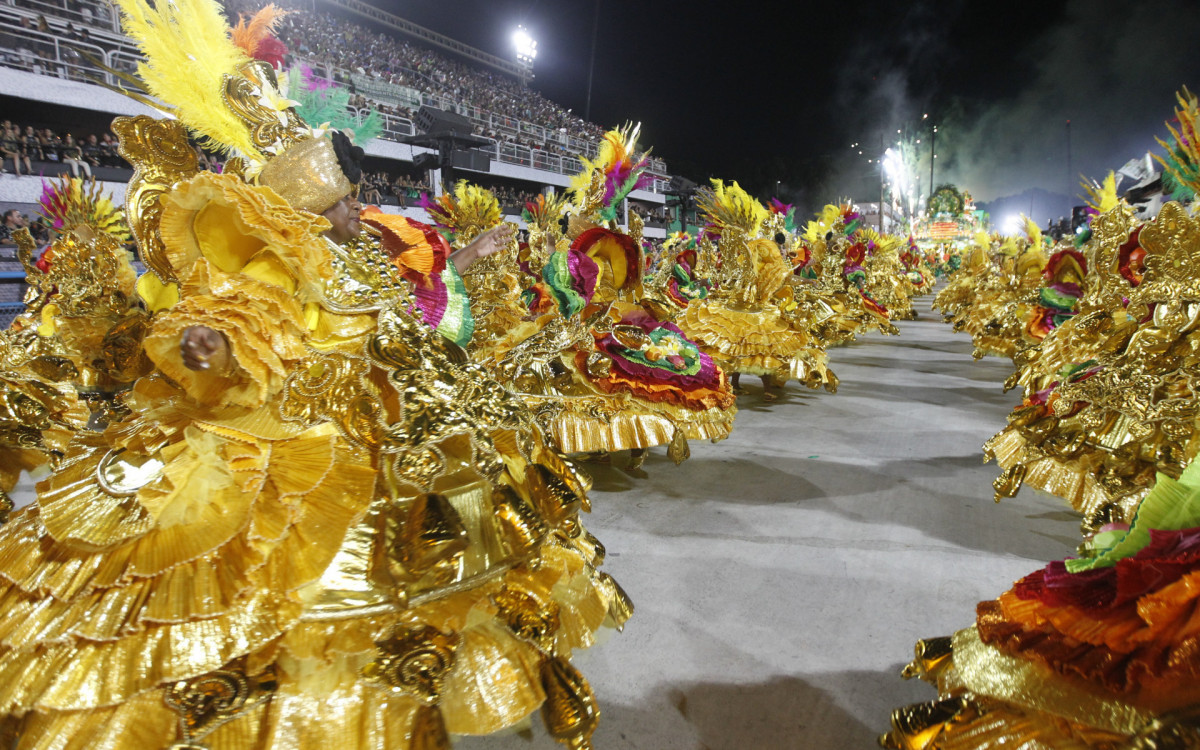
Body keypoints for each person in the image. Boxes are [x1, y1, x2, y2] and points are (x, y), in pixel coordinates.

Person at [0, 0, 629, 744]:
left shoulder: (358, 258)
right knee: (283, 598)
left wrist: (465, 262)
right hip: (309, 443)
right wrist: (210, 346)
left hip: (384, 425)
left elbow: (406, 306)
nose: (360, 209)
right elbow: (236, 323)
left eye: (356, 196)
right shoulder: (278, 263)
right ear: (310, 207)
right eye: (345, 200)